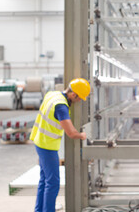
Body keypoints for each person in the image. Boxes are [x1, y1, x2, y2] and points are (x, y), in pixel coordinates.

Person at [30, 78, 90, 212]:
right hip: (47, 147)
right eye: (80, 98)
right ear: (73, 94)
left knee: (44, 180)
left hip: (39, 141)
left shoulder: (52, 95)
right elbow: (71, 133)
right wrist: (82, 135)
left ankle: (39, 210)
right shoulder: (61, 107)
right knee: (53, 184)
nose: (80, 101)